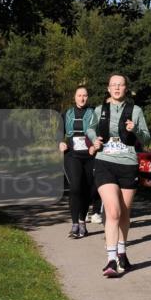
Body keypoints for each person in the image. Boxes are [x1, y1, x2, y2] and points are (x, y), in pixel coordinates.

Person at [87, 74, 150, 278]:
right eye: (113, 85)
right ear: (108, 88)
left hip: (128, 164)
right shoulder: (99, 110)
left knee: (124, 213)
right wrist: (94, 140)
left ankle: (122, 253)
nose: (116, 88)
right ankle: (111, 260)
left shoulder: (136, 110)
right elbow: (89, 128)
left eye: (120, 85)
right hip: (105, 163)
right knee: (113, 212)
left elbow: (147, 137)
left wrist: (136, 129)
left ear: (125, 88)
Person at [59, 85, 95, 239]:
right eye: (79, 95)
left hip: (89, 155)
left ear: (88, 97)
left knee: (86, 189)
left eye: (85, 95)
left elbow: (101, 132)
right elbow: (58, 133)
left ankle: (82, 222)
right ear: (74, 97)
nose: (82, 98)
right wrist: (60, 142)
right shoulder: (67, 113)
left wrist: (95, 145)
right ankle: (74, 224)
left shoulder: (94, 113)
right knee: (75, 187)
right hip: (72, 154)